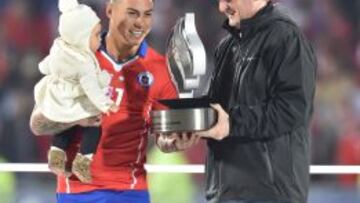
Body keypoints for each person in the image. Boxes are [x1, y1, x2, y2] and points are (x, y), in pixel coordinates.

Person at [30, 0, 198, 202]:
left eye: (147, 14)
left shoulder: (160, 70)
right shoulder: (75, 55)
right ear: (110, 11)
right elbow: (37, 124)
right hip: (76, 191)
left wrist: (174, 143)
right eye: (132, 13)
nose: (140, 23)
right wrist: (77, 118)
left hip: (130, 191)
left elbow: (164, 138)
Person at [158, 0, 317, 203]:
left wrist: (231, 123)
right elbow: (218, 111)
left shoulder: (287, 38)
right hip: (223, 193)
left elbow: (293, 110)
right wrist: (183, 128)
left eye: (229, 0)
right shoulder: (226, 46)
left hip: (270, 194)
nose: (221, 7)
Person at [33, 0, 118, 183]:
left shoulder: (59, 48)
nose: (100, 38)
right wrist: (104, 103)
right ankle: (83, 160)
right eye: (96, 34)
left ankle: (57, 153)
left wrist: (43, 68)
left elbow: (46, 65)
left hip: (59, 97)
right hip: (74, 99)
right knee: (92, 122)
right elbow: (91, 88)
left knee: (70, 119)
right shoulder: (85, 61)